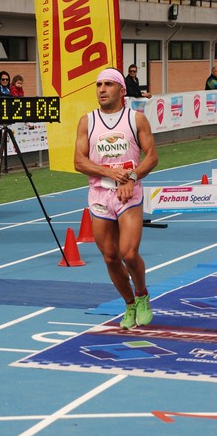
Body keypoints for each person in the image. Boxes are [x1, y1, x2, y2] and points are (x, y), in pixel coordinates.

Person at [74, 67, 159, 330]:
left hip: (129, 192)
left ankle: (143, 295)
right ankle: (129, 302)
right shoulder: (87, 121)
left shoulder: (136, 119)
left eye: (108, 84)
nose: (101, 89)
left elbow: (152, 156)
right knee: (110, 256)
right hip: (100, 193)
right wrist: (109, 172)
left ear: (122, 90)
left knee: (129, 252)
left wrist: (131, 177)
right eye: (99, 85)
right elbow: (79, 161)